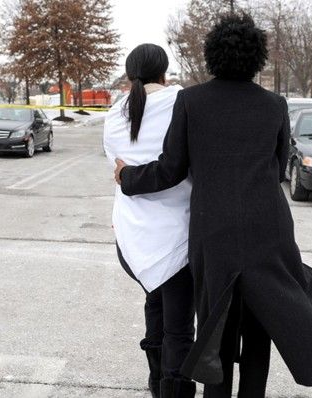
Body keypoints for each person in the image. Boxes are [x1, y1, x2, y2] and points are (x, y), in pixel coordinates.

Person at [114, 14, 312, 398]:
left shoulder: (191, 100)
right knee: (259, 327)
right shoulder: (274, 104)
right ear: (257, 58)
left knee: (215, 325)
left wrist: (127, 177)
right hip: (268, 227)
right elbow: (278, 165)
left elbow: (171, 169)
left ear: (212, 54)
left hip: (212, 229)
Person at [103, 43, 196, 398]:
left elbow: (118, 171)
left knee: (154, 304)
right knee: (179, 328)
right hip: (177, 238)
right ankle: (173, 389)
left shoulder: (114, 116)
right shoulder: (183, 104)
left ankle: (157, 383)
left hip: (132, 238)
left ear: (129, 75)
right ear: (165, 71)